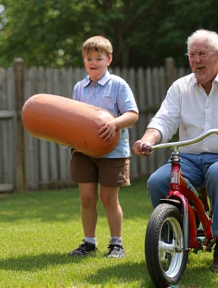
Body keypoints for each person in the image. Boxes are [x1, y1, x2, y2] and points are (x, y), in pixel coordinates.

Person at [133, 29, 218, 271]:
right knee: (158, 181)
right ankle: (176, 236)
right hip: (191, 159)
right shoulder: (180, 87)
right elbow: (164, 120)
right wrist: (147, 139)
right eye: (192, 55)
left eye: (202, 53)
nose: (196, 60)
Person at [69, 36, 139, 258]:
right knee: (87, 198)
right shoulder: (79, 88)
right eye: (89, 58)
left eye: (98, 58)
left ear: (109, 59)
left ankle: (116, 244)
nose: (93, 63)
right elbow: (74, 118)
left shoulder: (118, 85)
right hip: (83, 151)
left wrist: (114, 123)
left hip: (113, 152)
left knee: (109, 199)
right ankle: (89, 243)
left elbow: (132, 115)